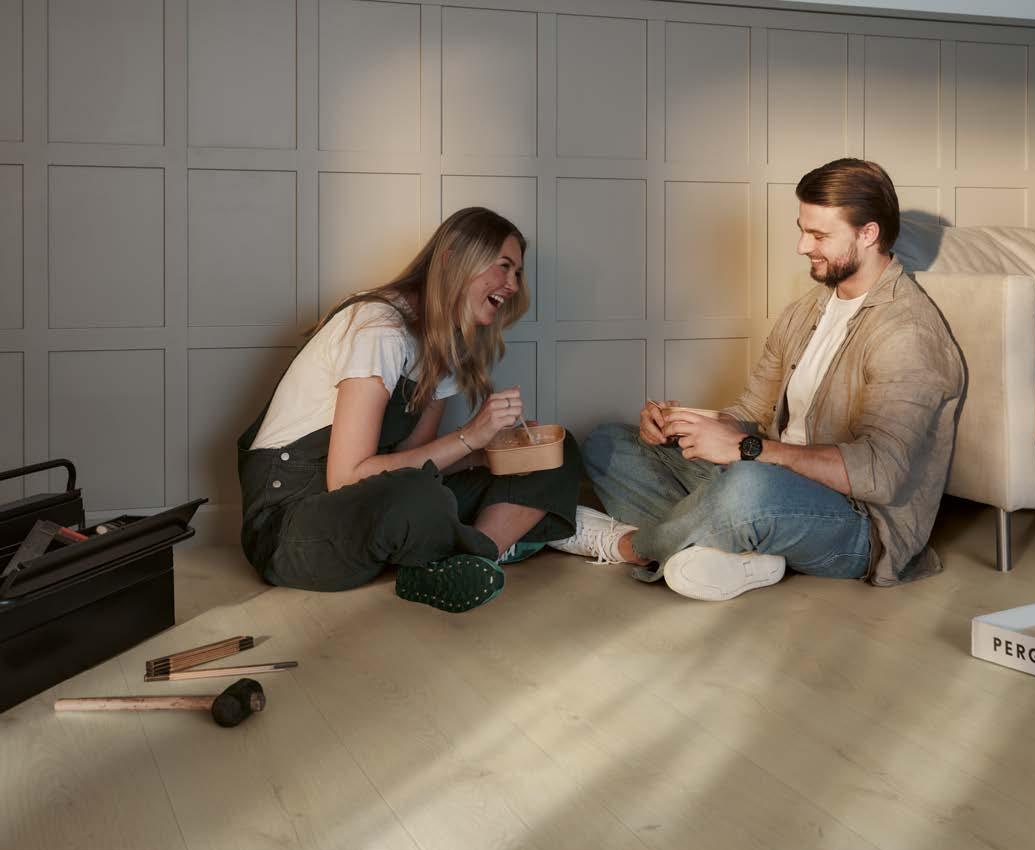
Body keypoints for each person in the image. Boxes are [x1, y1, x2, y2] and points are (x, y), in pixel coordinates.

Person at [548, 159, 964, 600]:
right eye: (802, 230)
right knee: (608, 444)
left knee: (747, 487)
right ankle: (736, 550)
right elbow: (751, 412)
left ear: (868, 234)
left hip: (856, 523)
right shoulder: (807, 310)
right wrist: (686, 425)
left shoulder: (907, 332)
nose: (802, 247)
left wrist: (749, 450)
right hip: (771, 478)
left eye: (819, 235)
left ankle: (633, 546)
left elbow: (881, 473)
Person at [238, 207, 581, 613]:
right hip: (291, 524)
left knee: (554, 451)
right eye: (504, 266)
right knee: (419, 497)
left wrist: (490, 452)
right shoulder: (379, 327)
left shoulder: (445, 344)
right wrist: (469, 436)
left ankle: (472, 562)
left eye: (517, 273)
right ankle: (471, 551)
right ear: (453, 259)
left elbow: (417, 460)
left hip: (373, 501)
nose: (513, 284)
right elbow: (346, 479)